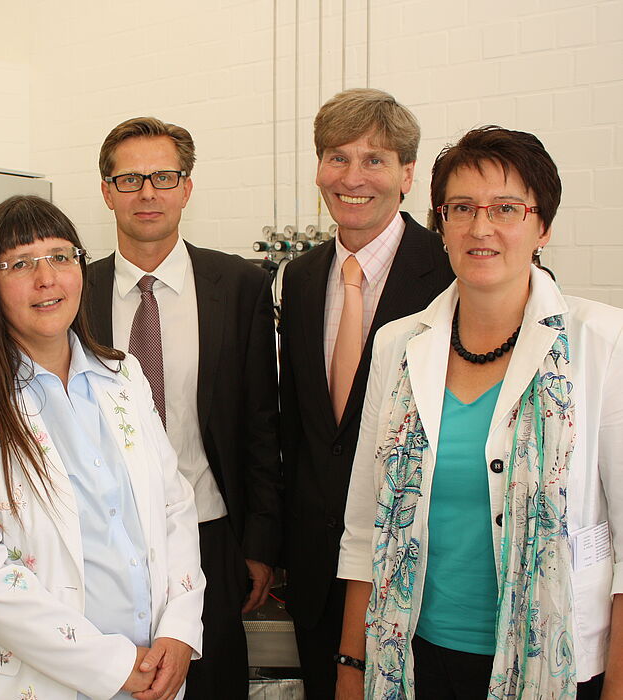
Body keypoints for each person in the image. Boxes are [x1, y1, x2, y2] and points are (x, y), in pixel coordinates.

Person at [337, 126, 623, 698]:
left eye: (506, 208)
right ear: (441, 222)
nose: (480, 227)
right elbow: (365, 530)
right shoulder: (398, 345)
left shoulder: (600, 343)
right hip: (412, 658)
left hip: (555, 665)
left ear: (542, 226)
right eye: (461, 207)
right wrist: (351, 667)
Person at [0, 195, 205, 700]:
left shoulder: (123, 376)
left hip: (152, 666)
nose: (46, 278)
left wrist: (180, 628)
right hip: (37, 680)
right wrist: (109, 663)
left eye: (60, 256)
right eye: (21, 264)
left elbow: (174, 505)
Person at [84, 116, 280, 699]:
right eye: (130, 180)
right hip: (107, 538)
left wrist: (261, 543)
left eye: (164, 177)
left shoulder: (239, 284)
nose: (148, 193)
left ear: (187, 187)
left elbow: (260, 420)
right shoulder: (76, 292)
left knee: (213, 681)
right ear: (107, 192)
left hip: (210, 531)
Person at [278, 88, 454, 698]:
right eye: (336, 157)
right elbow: (301, 432)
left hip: (421, 571)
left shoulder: (451, 274)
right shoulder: (299, 278)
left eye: (374, 160)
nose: (353, 177)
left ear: (408, 174)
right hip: (317, 574)